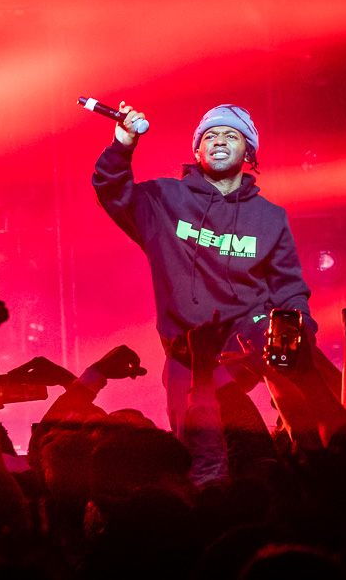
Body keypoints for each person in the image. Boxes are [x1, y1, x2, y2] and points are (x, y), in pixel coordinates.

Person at [92, 102, 317, 432]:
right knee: (196, 441)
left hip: (247, 345)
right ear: (197, 151)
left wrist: (301, 338)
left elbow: (289, 289)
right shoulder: (164, 199)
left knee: (289, 418)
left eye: (231, 135)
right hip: (186, 350)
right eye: (210, 136)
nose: (219, 140)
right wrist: (122, 144)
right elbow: (112, 192)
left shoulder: (270, 216)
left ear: (249, 152)